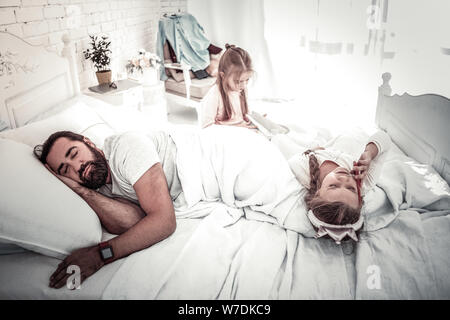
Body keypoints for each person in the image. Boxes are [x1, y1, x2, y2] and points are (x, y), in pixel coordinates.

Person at [34, 126, 298, 289]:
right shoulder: (97, 187)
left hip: (227, 155)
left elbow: (163, 221)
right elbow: (132, 221)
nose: (77, 167)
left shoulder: (126, 147)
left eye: (74, 153)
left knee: (296, 207)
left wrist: (99, 256)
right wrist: (79, 190)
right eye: (65, 170)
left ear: (89, 142)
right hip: (220, 168)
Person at [280, 130, 392, 244]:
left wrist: (314, 150)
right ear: (359, 197)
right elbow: (384, 137)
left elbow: (297, 157)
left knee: (281, 138)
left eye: (333, 186)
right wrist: (370, 152)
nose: (344, 179)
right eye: (351, 188)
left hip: (318, 148)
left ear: (317, 193)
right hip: (348, 137)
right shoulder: (364, 180)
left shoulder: (301, 169)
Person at [200, 44, 256, 129]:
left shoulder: (241, 89)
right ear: (223, 75)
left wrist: (253, 120)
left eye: (247, 79)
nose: (244, 85)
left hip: (242, 131)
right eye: (238, 81)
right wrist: (237, 128)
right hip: (224, 136)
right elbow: (206, 127)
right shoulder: (215, 94)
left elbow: (242, 117)